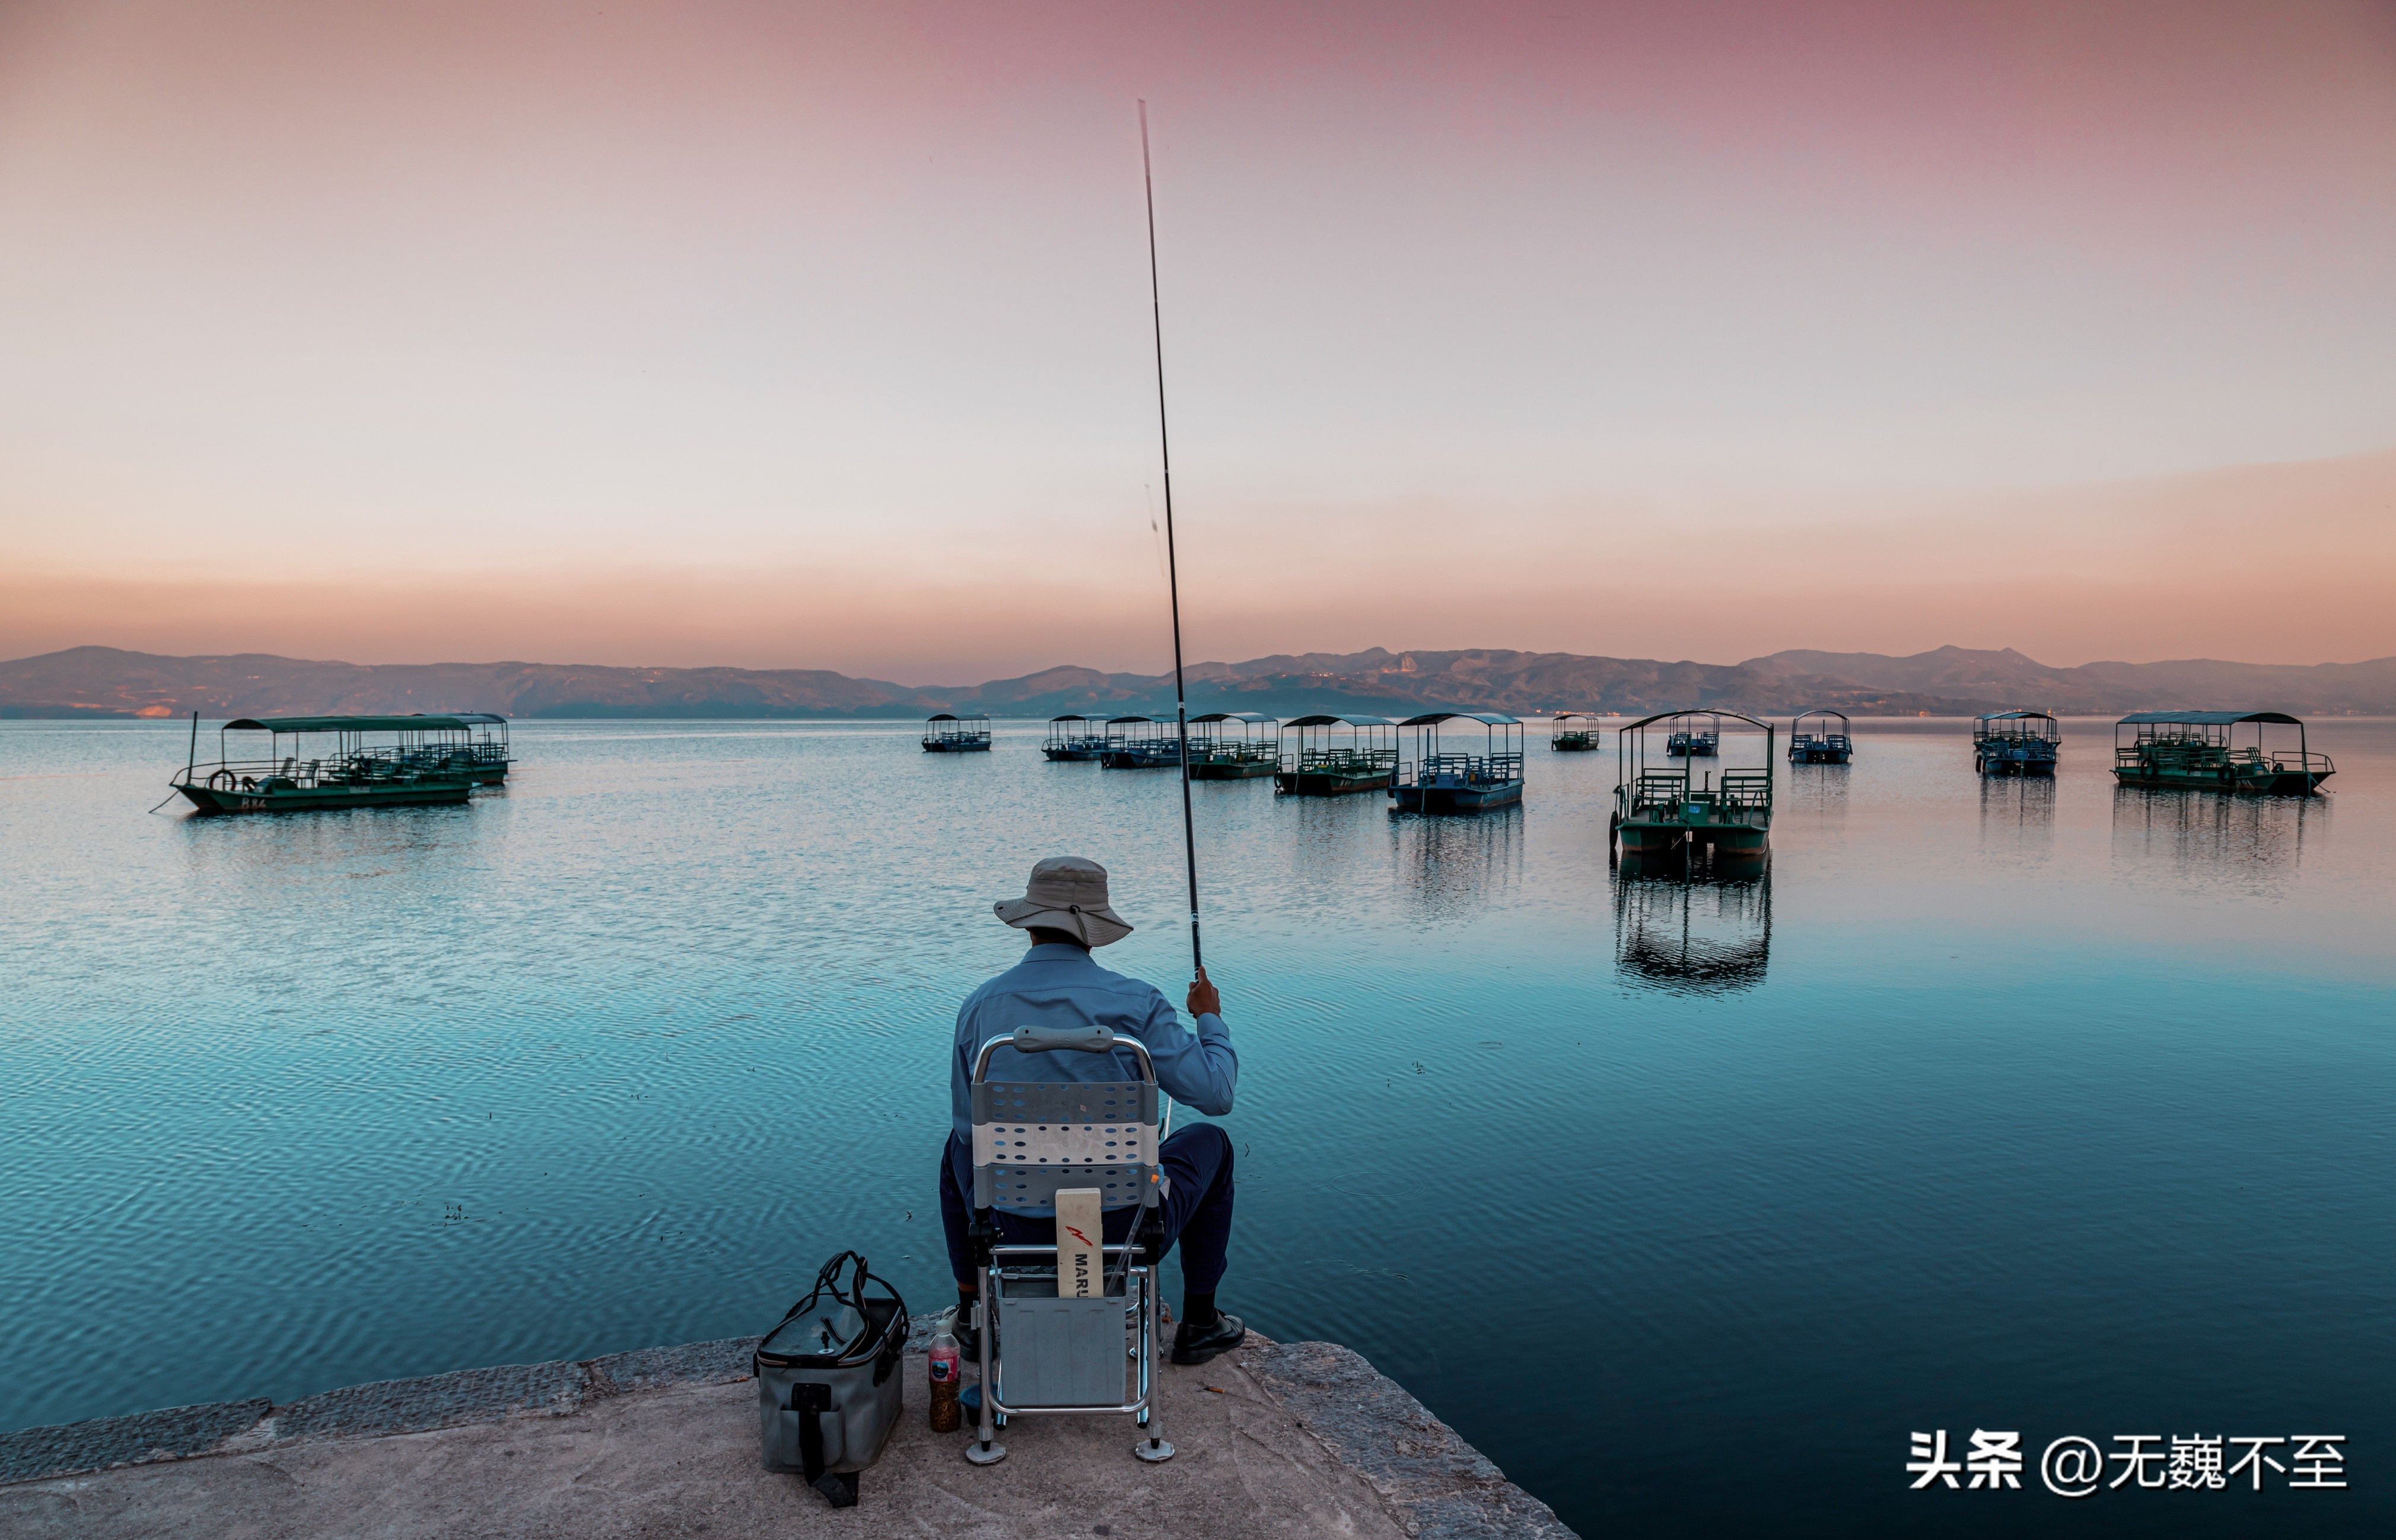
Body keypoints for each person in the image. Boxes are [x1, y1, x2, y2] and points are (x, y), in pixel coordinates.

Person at [937, 854, 1245, 1366]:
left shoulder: (980, 1006)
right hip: (1120, 1233)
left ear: (1030, 923)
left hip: (1009, 1230)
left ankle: (971, 1317)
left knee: (955, 1148)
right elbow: (1217, 1095)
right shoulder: (1137, 1004)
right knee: (1213, 1146)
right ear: (1091, 930)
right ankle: (1200, 1323)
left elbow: (968, 1130)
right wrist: (1209, 1018)